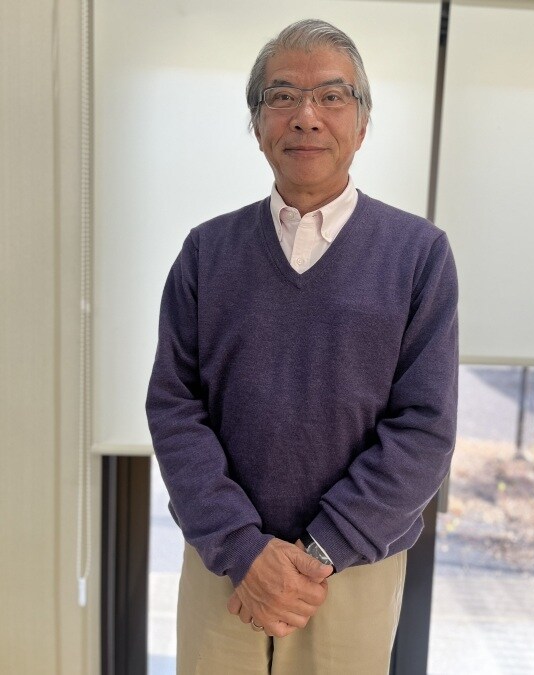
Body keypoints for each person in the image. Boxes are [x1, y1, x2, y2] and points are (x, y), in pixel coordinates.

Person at [146, 18, 458, 675]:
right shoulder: (206, 253)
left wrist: (319, 553)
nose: (306, 116)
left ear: (362, 124)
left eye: (332, 96)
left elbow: (425, 427)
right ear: (258, 124)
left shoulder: (419, 255)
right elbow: (174, 409)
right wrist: (243, 551)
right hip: (225, 563)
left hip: (354, 567)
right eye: (282, 96)